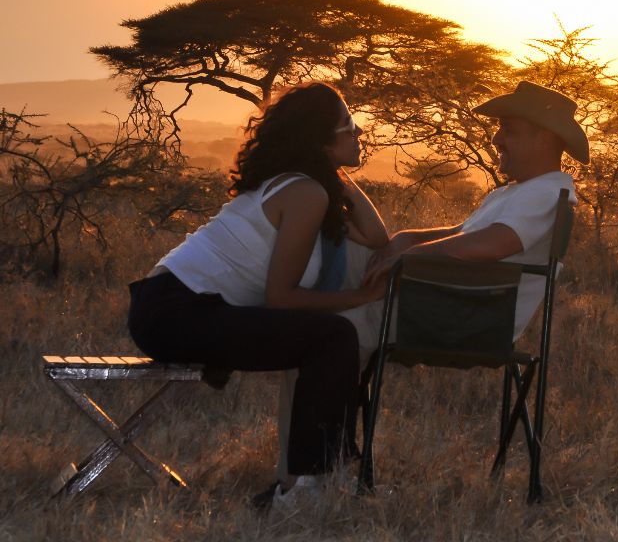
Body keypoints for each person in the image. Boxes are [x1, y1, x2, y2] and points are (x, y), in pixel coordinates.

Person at [127, 82, 390, 502]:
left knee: (331, 335)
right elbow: (282, 298)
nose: (358, 133)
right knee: (335, 335)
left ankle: (309, 480)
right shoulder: (305, 192)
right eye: (348, 126)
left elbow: (377, 237)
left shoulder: (305, 186)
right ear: (319, 139)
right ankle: (305, 488)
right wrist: (358, 299)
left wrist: (337, 174)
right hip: (176, 310)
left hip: (170, 306)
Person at [365, 81, 588, 334]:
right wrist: (407, 239)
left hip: (459, 313)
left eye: (508, 129)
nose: (496, 138)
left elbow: (490, 245)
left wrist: (408, 257)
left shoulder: (544, 193)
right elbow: (461, 234)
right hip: (449, 303)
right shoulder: (519, 191)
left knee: (336, 323)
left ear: (544, 139)